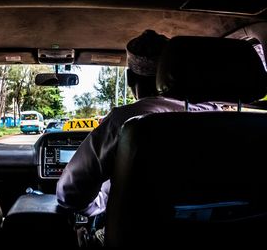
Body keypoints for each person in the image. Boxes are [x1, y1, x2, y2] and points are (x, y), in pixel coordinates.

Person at [56, 30, 222, 219]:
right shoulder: (221, 118)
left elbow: (70, 193)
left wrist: (98, 207)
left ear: (129, 79)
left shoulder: (125, 120)